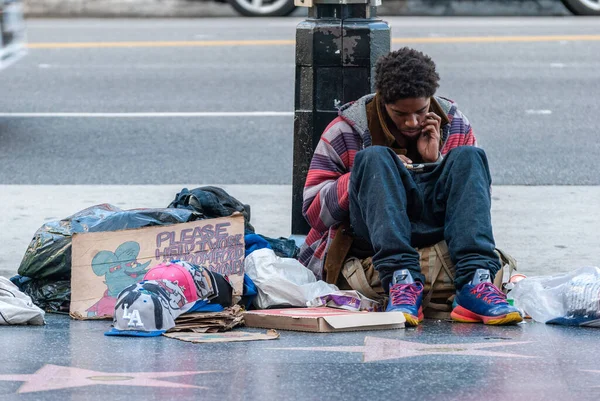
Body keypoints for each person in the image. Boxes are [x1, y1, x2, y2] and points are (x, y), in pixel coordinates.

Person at [297, 47, 522, 326]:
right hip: (374, 236)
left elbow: (475, 204)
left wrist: (436, 162)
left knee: (470, 157)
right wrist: (361, 177)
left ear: (430, 100)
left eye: (420, 111)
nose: (412, 122)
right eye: (400, 114)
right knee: (374, 158)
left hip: (440, 228)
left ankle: (476, 282)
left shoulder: (455, 123)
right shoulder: (346, 130)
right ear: (383, 101)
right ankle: (401, 282)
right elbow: (313, 214)